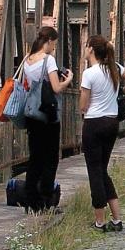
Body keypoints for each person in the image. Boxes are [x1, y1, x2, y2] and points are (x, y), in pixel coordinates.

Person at [80, 35, 125, 232]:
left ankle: (100, 221)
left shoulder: (89, 73)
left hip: (94, 123)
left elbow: (83, 105)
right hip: (111, 123)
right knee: (102, 170)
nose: (85, 49)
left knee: (94, 172)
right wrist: (120, 92)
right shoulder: (114, 68)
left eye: (86, 46)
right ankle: (116, 219)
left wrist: (86, 104)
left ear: (91, 49)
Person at [23, 26, 73, 212]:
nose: (54, 47)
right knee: (50, 158)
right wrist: (68, 79)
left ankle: (31, 201)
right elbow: (56, 88)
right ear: (50, 40)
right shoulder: (48, 60)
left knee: (35, 157)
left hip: (31, 114)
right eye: (54, 43)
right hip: (47, 114)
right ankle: (46, 200)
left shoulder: (28, 59)